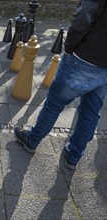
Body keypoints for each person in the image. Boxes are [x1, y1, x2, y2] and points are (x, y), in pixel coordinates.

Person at [14, 0, 107, 170]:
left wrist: (70, 47)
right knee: (91, 112)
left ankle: (33, 140)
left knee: (54, 104)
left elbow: (84, 16)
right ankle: (74, 156)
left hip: (83, 57)